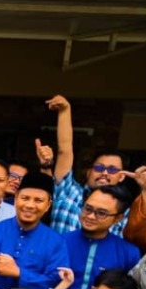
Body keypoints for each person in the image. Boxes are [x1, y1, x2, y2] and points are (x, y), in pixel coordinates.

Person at [43, 96, 130, 234]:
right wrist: (65, 110)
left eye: (112, 170)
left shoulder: (122, 211)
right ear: (88, 172)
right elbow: (64, 150)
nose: (104, 173)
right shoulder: (69, 192)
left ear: (121, 177)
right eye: (99, 167)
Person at [60, 187, 140, 289]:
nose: (90, 216)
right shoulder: (57, 243)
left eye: (101, 213)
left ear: (118, 218)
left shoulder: (129, 253)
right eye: (88, 209)